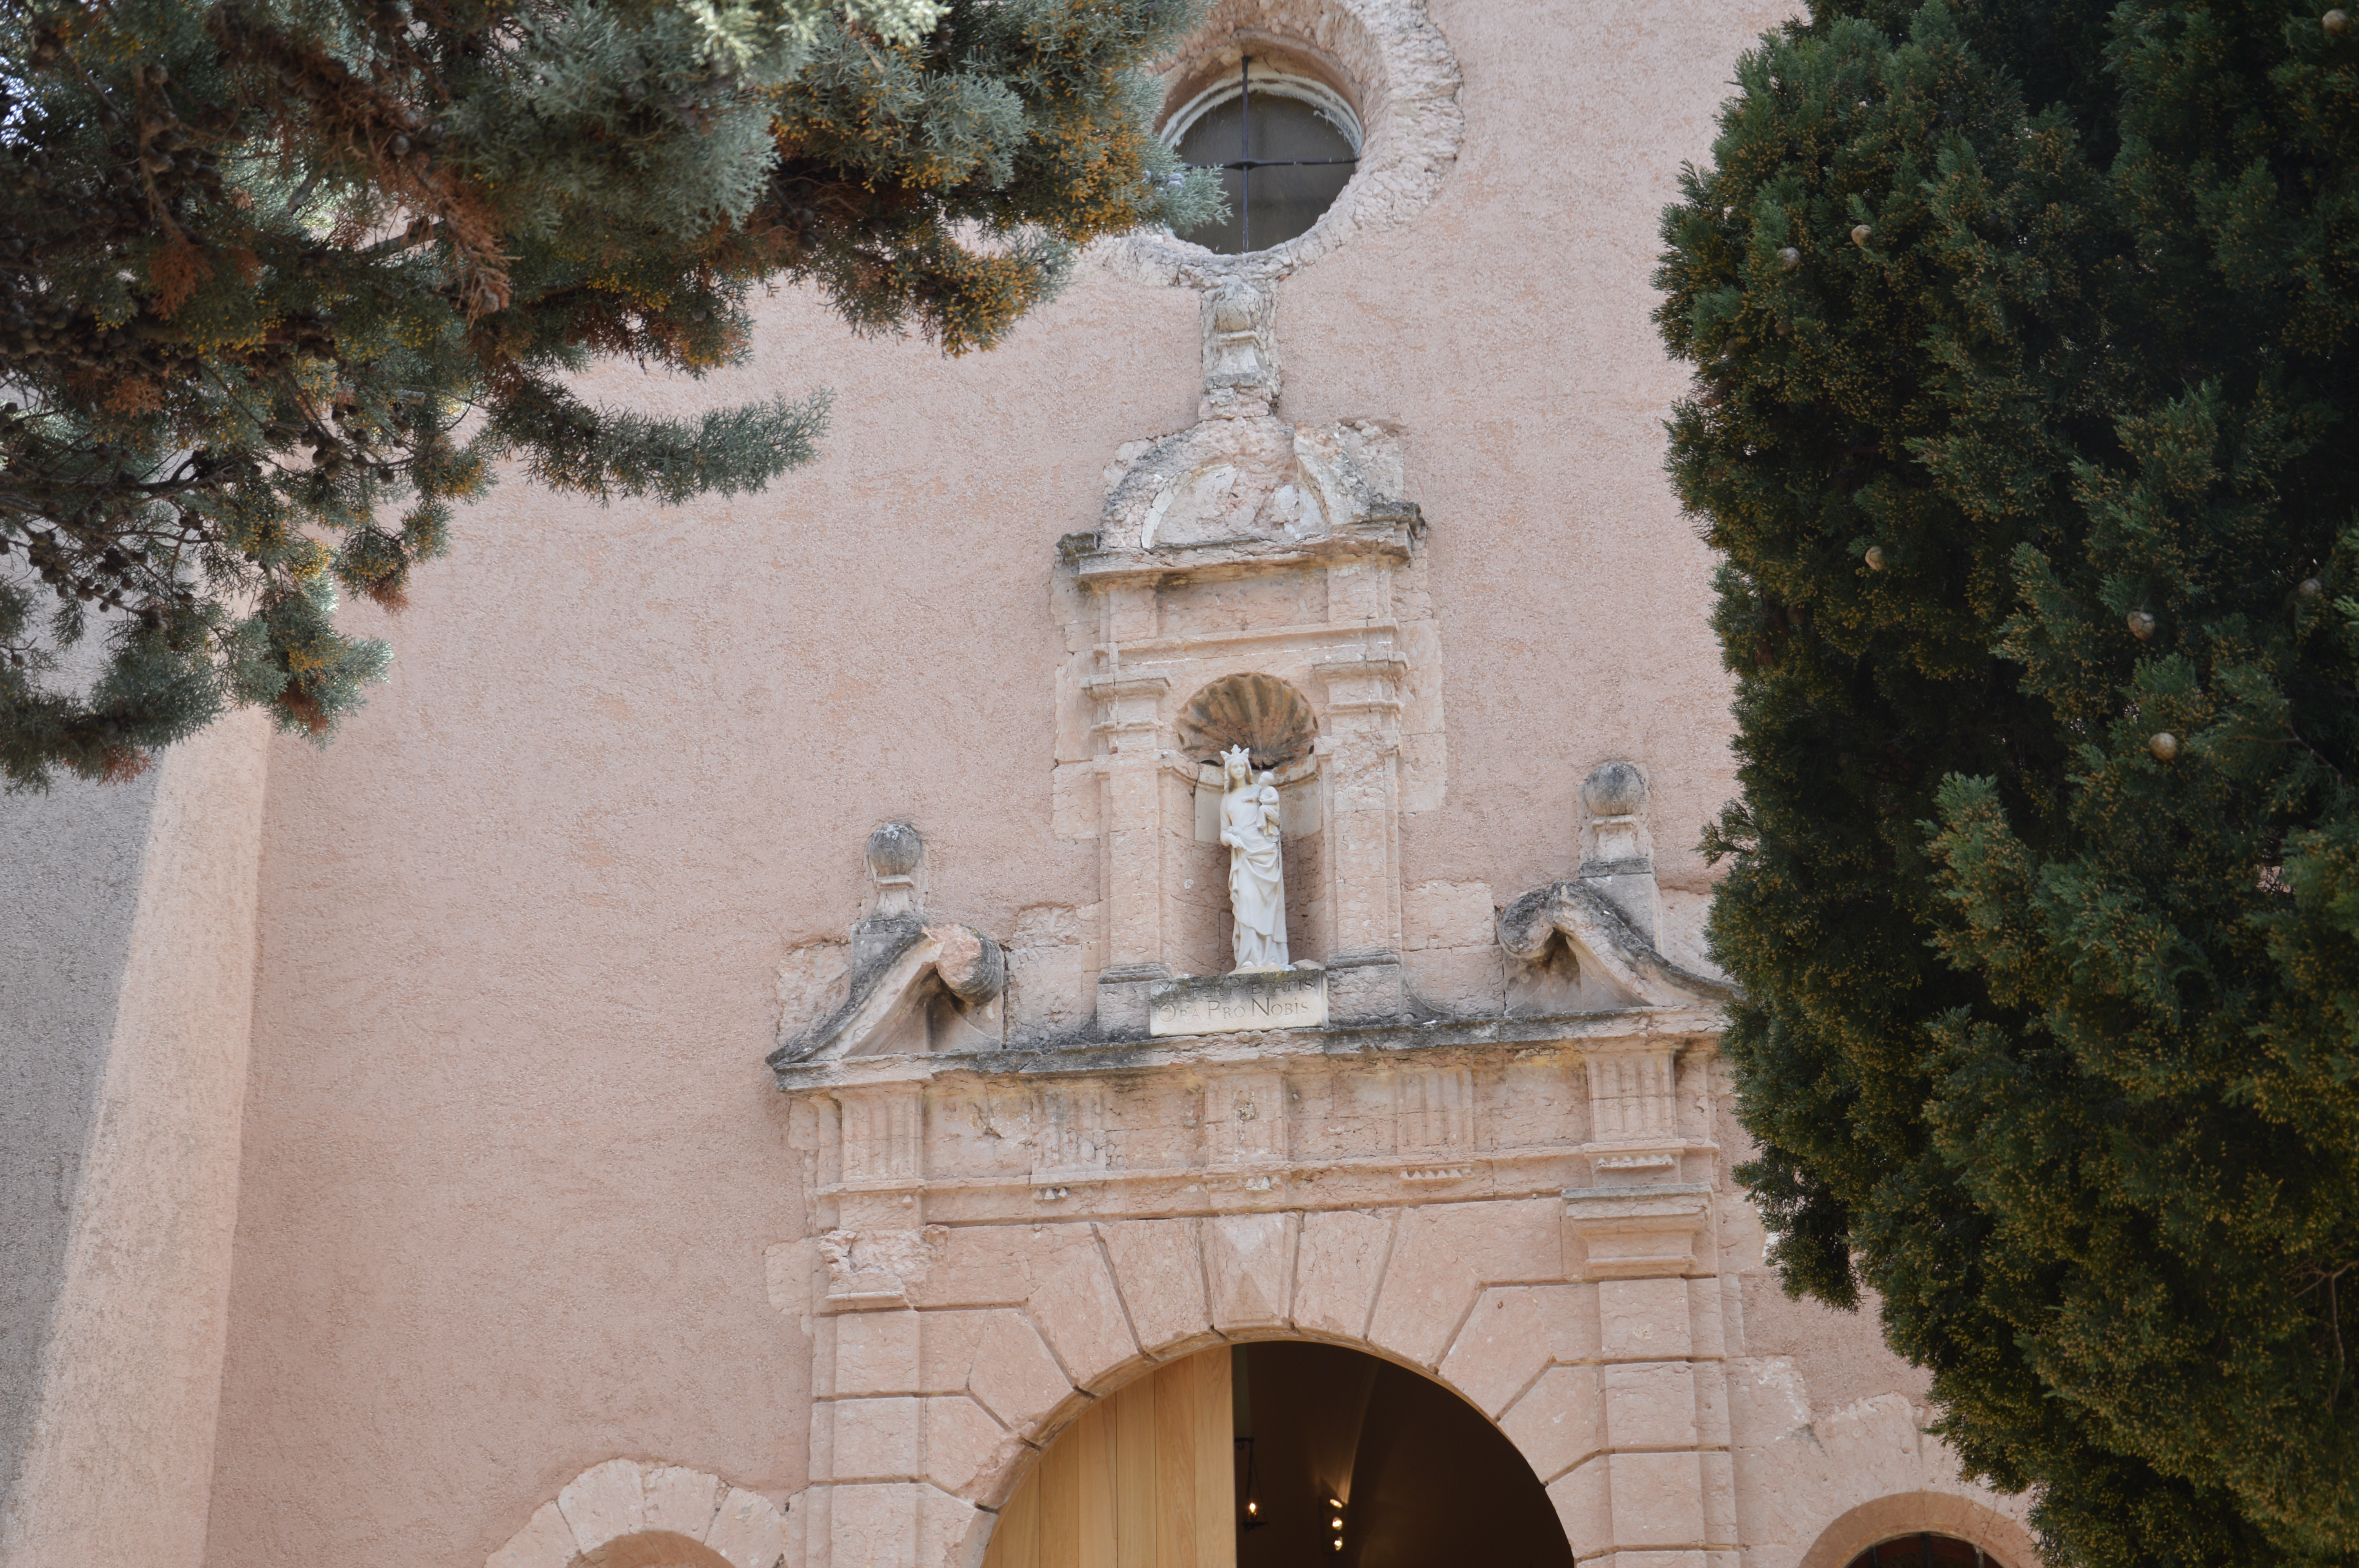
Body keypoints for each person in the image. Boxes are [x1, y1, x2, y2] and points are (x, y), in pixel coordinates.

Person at [1218, 747, 1289, 970]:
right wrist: (1230, 838)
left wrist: (1269, 816)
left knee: (1268, 904)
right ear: (1229, 772)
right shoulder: (1227, 799)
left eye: (1242, 766)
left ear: (1247, 769)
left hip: (1264, 851)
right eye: (1234, 767)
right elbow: (1223, 832)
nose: (1238, 770)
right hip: (1243, 856)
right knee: (1247, 902)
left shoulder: (1260, 790)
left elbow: (1276, 819)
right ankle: (1249, 957)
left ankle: (1271, 958)